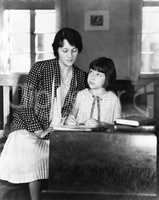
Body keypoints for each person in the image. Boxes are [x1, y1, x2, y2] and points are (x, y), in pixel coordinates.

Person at [0, 27, 87, 200]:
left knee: (66, 152)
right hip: (28, 126)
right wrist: (38, 131)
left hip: (58, 129)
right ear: (57, 50)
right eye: (65, 50)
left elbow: (80, 108)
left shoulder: (81, 77)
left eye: (74, 50)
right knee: (30, 149)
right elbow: (25, 104)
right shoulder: (40, 68)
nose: (70, 55)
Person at [65, 57, 121, 127]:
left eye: (98, 74)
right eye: (91, 72)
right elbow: (72, 115)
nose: (92, 77)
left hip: (104, 137)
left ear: (107, 78)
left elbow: (117, 126)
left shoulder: (113, 99)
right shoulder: (81, 95)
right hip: (80, 136)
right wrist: (70, 120)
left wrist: (100, 124)